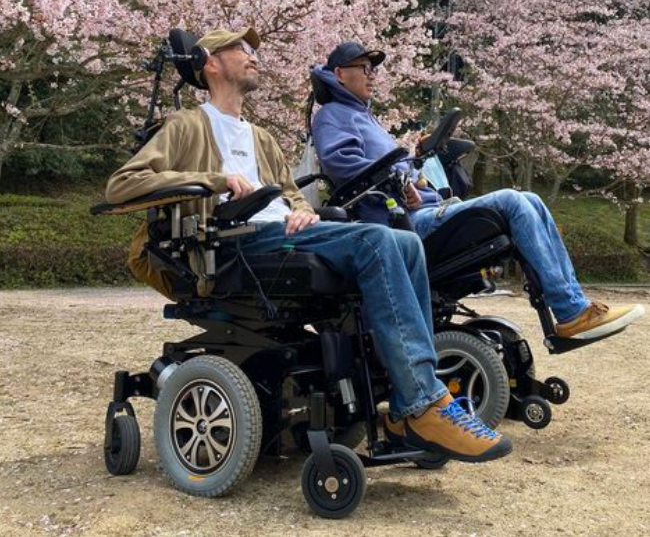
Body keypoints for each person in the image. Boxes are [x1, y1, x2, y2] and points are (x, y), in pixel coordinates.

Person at [105, 27, 513, 463]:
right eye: (241, 48)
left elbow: (291, 195)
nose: (253, 55)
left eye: (253, 49)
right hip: (234, 241)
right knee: (377, 241)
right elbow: (121, 185)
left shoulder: (261, 138)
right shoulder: (186, 126)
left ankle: (408, 405)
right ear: (211, 62)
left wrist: (304, 212)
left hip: (284, 234)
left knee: (406, 243)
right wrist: (214, 181)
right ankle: (422, 405)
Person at [311, 41, 645, 340]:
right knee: (512, 201)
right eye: (364, 68)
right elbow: (342, 163)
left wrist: (413, 172)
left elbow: (386, 166)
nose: (372, 75)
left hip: (416, 209)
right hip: (403, 223)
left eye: (374, 69)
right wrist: (400, 182)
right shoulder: (333, 115)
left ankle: (574, 306)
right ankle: (570, 310)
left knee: (530, 199)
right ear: (339, 74)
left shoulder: (363, 116)